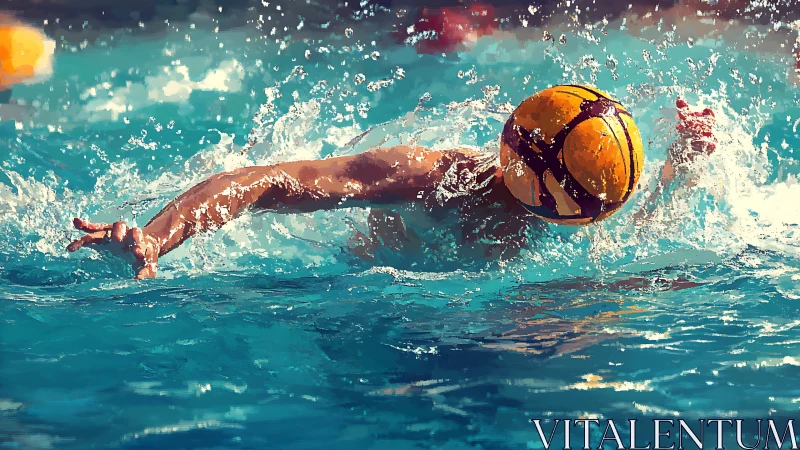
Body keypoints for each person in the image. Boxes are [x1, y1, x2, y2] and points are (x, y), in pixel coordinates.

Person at [67, 97, 717, 279]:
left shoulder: (576, 194)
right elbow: (265, 182)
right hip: (364, 296)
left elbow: (647, 244)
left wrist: (681, 168)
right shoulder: (435, 178)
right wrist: (156, 237)